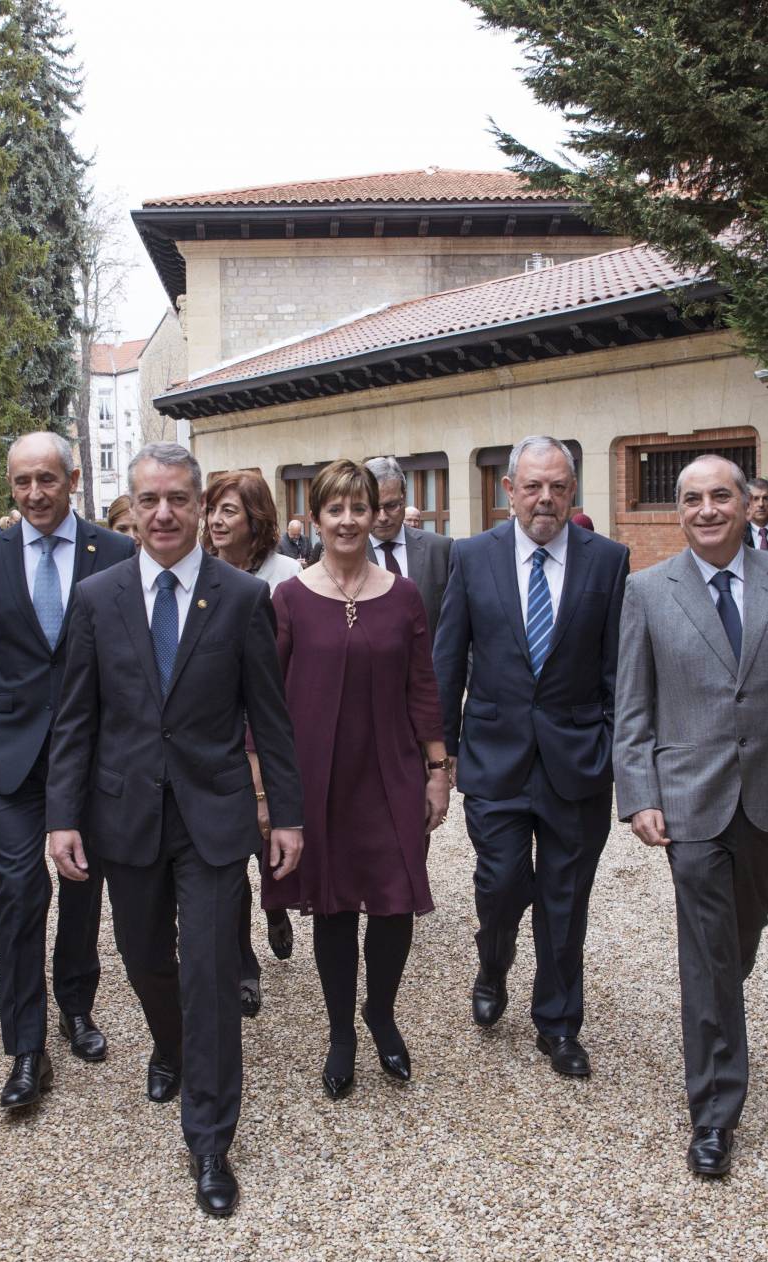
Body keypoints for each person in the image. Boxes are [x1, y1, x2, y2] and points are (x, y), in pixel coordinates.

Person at [46, 442, 302, 1218]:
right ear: (131, 506)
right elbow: (75, 718)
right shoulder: (96, 597)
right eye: (150, 499)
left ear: (200, 508)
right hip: (126, 811)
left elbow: (271, 715)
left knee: (211, 973)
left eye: (179, 500)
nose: (164, 513)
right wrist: (62, 815)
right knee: (145, 957)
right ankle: (170, 1043)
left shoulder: (241, 597)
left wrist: (284, 811)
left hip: (216, 813)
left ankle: (210, 1136)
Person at [614, 454, 768, 1179]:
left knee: (738, 937)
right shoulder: (646, 591)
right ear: (678, 511)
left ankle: (720, 994)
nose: (707, 509)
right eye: (693, 499)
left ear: (748, 502)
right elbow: (631, 708)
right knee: (708, 949)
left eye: (721, 495)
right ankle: (715, 1112)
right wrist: (640, 793)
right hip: (689, 795)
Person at [433, 435, 631, 1078]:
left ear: (573, 493)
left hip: (578, 760)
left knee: (566, 898)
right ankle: (493, 961)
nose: (545, 499)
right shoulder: (473, 557)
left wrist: (607, 743)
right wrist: (442, 755)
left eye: (558, 487)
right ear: (508, 490)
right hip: (496, 758)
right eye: (532, 486)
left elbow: (616, 669)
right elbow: (446, 663)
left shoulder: (608, 562)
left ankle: (559, 1022)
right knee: (500, 883)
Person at [0, 433, 133, 1110]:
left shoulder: (114, 551)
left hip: (92, 755)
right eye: (21, 481)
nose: (33, 493)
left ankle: (77, 1005)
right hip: (11, 759)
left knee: (83, 887)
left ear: (73, 479)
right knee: (21, 893)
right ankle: (27, 1047)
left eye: (46, 480)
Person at [268, 459, 447, 1097]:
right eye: (334, 509)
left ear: (377, 514)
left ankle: (382, 1012)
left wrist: (437, 769)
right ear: (315, 518)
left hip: (393, 771)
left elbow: (424, 686)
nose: (348, 521)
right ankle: (342, 1030)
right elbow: (267, 699)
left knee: (395, 903)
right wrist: (269, 789)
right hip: (318, 779)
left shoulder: (403, 594)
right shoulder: (288, 597)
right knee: (335, 907)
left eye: (359, 508)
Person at [201, 470, 302, 1014]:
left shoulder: (287, 577)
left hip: (270, 727)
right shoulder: (200, 576)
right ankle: (244, 958)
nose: (216, 520)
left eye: (229, 511)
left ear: (256, 519)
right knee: (229, 853)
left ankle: (276, 907)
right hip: (218, 737)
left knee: (272, 835)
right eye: (213, 509)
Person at [365, 456, 453, 636]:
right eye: (374, 507)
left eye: (391, 505)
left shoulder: (440, 549)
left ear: (403, 498)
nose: (382, 517)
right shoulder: (348, 556)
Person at [744, 476, 768, 552]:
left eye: (766, 498)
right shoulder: (738, 534)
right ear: (747, 502)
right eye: (755, 499)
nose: (761, 504)